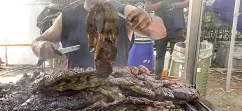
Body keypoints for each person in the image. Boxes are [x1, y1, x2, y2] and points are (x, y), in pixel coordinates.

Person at [32, 0, 167, 70]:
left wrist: (146, 19)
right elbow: (39, 40)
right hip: (76, 91)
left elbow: (160, 31)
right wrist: (40, 47)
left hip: (118, 90)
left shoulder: (124, 11)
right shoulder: (67, 16)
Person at [145, 0, 190, 79]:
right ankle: (157, 78)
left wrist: (174, 5)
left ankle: (179, 79)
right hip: (159, 27)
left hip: (177, 27)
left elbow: (189, 2)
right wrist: (161, 3)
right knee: (159, 54)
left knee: (179, 55)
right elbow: (148, 7)